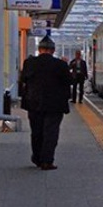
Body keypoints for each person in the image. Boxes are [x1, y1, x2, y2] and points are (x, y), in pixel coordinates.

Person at [19, 37, 71, 170]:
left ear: (39, 49)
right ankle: (47, 161)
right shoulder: (61, 65)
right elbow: (69, 82)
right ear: (53, 51)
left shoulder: (29, 63)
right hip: (55, 105)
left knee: (36, 131)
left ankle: (37, 158)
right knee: (51, 132)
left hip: (34, 103)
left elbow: (23, 79)